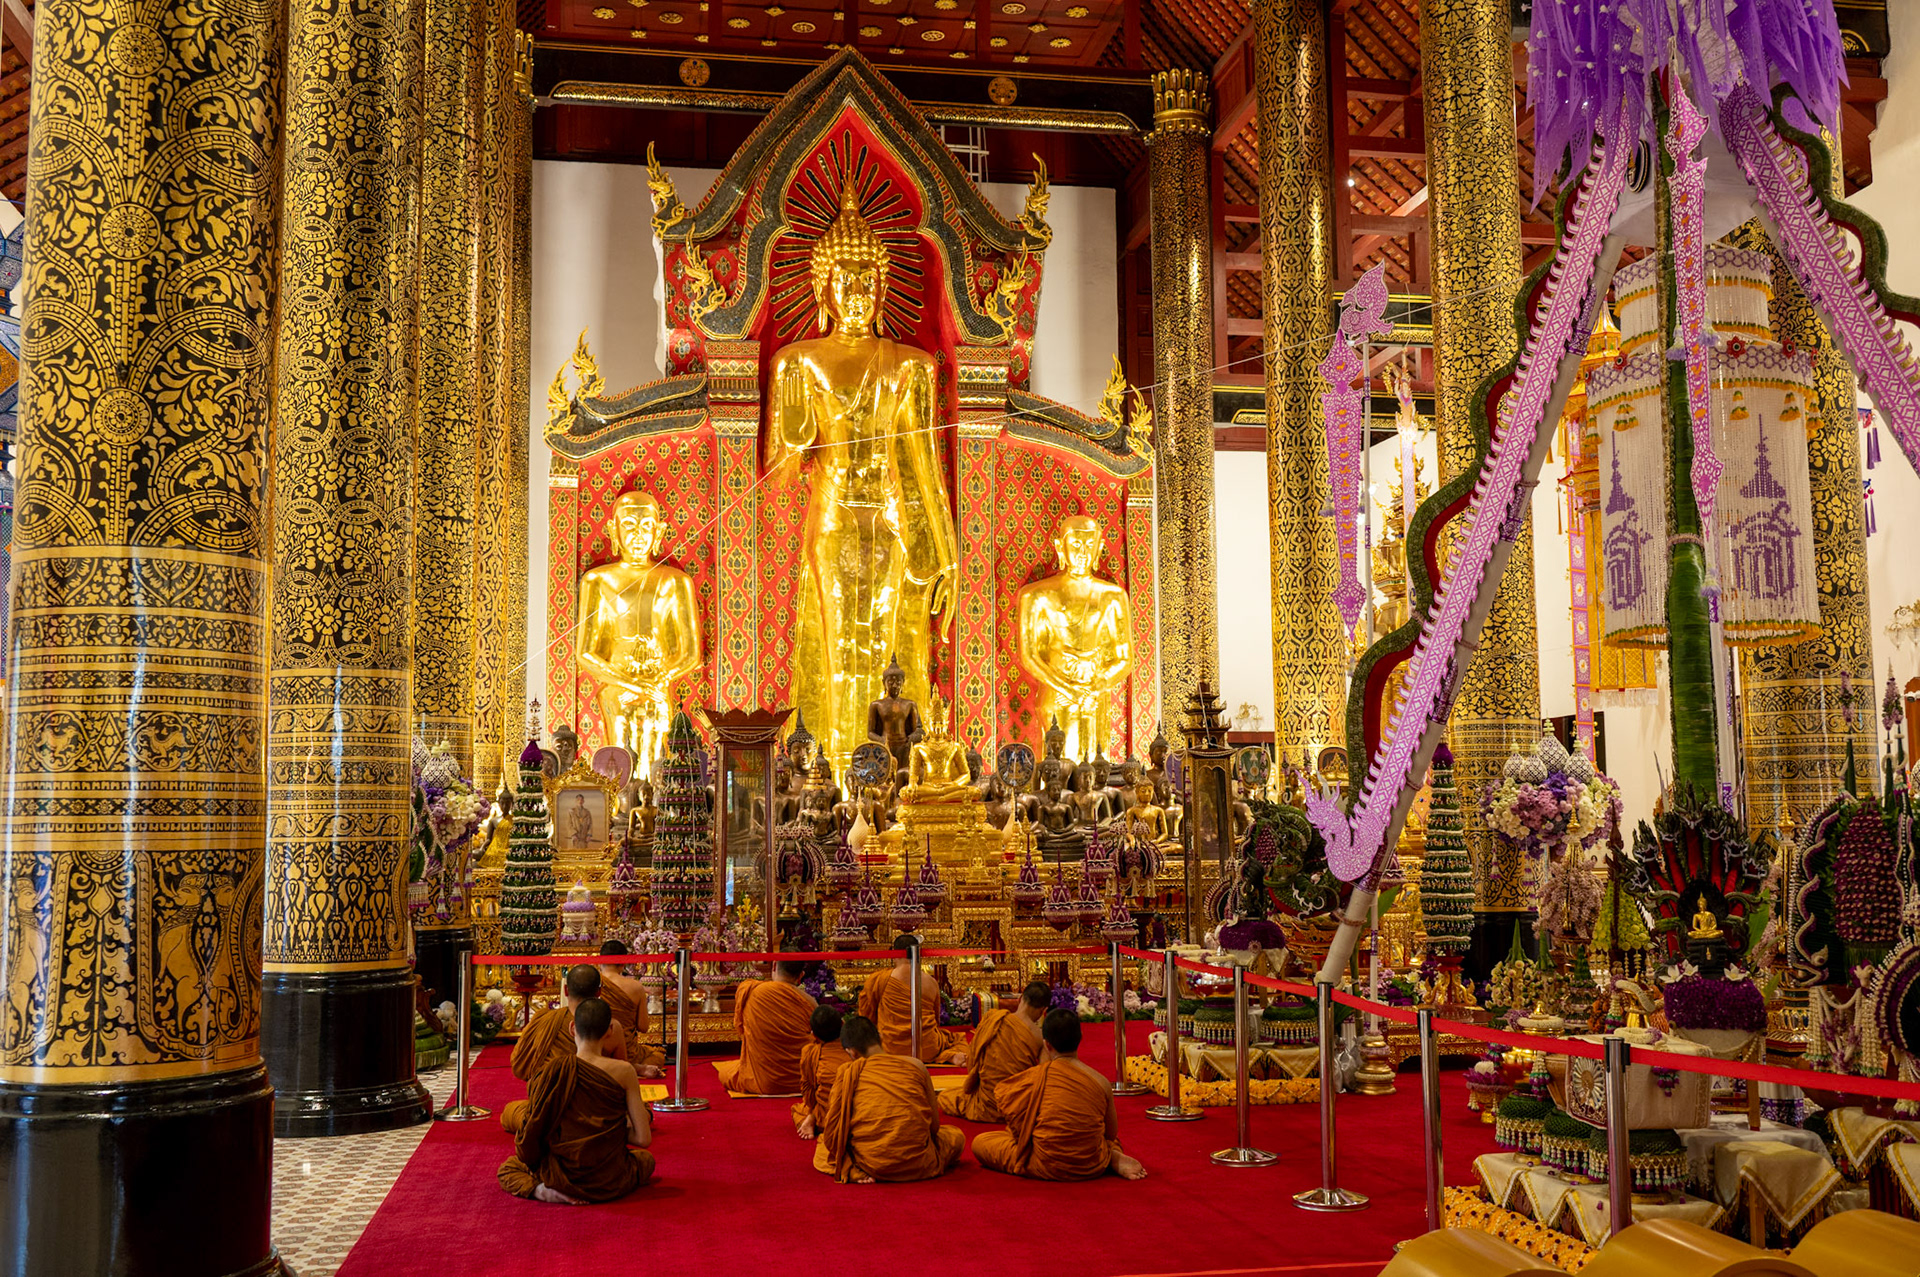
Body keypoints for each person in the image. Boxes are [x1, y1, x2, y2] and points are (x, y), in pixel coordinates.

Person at [497, 997, 655, 1204]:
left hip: (562, 1174)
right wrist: (607, 1132)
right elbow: (643, 1139)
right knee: (646, 1161)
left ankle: (543, 1191)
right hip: (610, 1179)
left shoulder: (553, 1070)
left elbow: (534, 1128)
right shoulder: (625, 1071)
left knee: (508, 1169)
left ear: (572, 1028)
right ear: (610, 1031)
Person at [971, 1009, 1147, 1181]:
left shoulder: (1035, 1076)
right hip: (1091, 1163)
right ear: (1080, 1038)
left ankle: (1107, 1155)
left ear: (1047, 1044)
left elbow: (1015, 1121)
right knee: (1108, 1140)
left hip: (1044, 1163)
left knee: (980, 1142)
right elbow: (1110, 1134)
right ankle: (1112, 1157)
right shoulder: (1100, 1081)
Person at [813, 1014, 965, 1183]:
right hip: (919, 1162)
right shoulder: (916, 1066)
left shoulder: (848, 1073)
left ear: (852, 1052)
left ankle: (855, 1170)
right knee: (955, 1137)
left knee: (823, 1147)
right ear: (881, 1036)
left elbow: (835, 1130)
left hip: (871, 1163)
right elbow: (934, 1127)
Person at [502, 965, 630, 1134]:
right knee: (640, 1110)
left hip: (548, 1109)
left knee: (510, 1113)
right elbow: (619, 1082)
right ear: (599, 992)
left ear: (565, 990)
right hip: (595, 1110)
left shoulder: (544, 1019)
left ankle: (546, 1125)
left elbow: (519, 1066)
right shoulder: (612, 1027)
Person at [937, 981, 1046, 1123]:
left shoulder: (993, 1019)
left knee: (945, 1097)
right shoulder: (1038, 1035)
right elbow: (1044, 1076)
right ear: (1043, 1009)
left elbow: (972, 1060)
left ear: (1020, 999)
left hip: (986, 1104)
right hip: (1018, 1106)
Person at [717, 959, 817, 1095]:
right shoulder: (808, 1001)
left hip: (763, 1082)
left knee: (725, 1073)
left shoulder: (753, 990)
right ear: (801, 975)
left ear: (774, 965)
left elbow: (740, 1028)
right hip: (801, 1080)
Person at [859, 939, 967, 1064]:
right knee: (954, 1039)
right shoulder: (931, 982)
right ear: (919, 954)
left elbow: (866, 1014)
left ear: (894, 954)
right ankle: (948, 1056)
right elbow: (936, 1020)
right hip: (926, 1048)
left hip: (890, 1048)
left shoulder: (880, 979)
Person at [596, 941, 666, 1075]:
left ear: (600, 961)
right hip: (627, 1052)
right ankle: (633, 1067)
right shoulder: (635, 986)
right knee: (658, 1056)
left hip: (597, 1050)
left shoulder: (592, 982)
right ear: (623, 963)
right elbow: (643, 1027)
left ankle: (611, 1067)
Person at [792, 1004, 853, 1139]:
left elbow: (808, 1090)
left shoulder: (810, 1052)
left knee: (798, 1110)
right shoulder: (854, 1048)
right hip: (858, 1111)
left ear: (814, 1035)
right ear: (843, 1024)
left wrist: (813, 1112)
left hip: (828, 1115)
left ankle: (813, 1117)